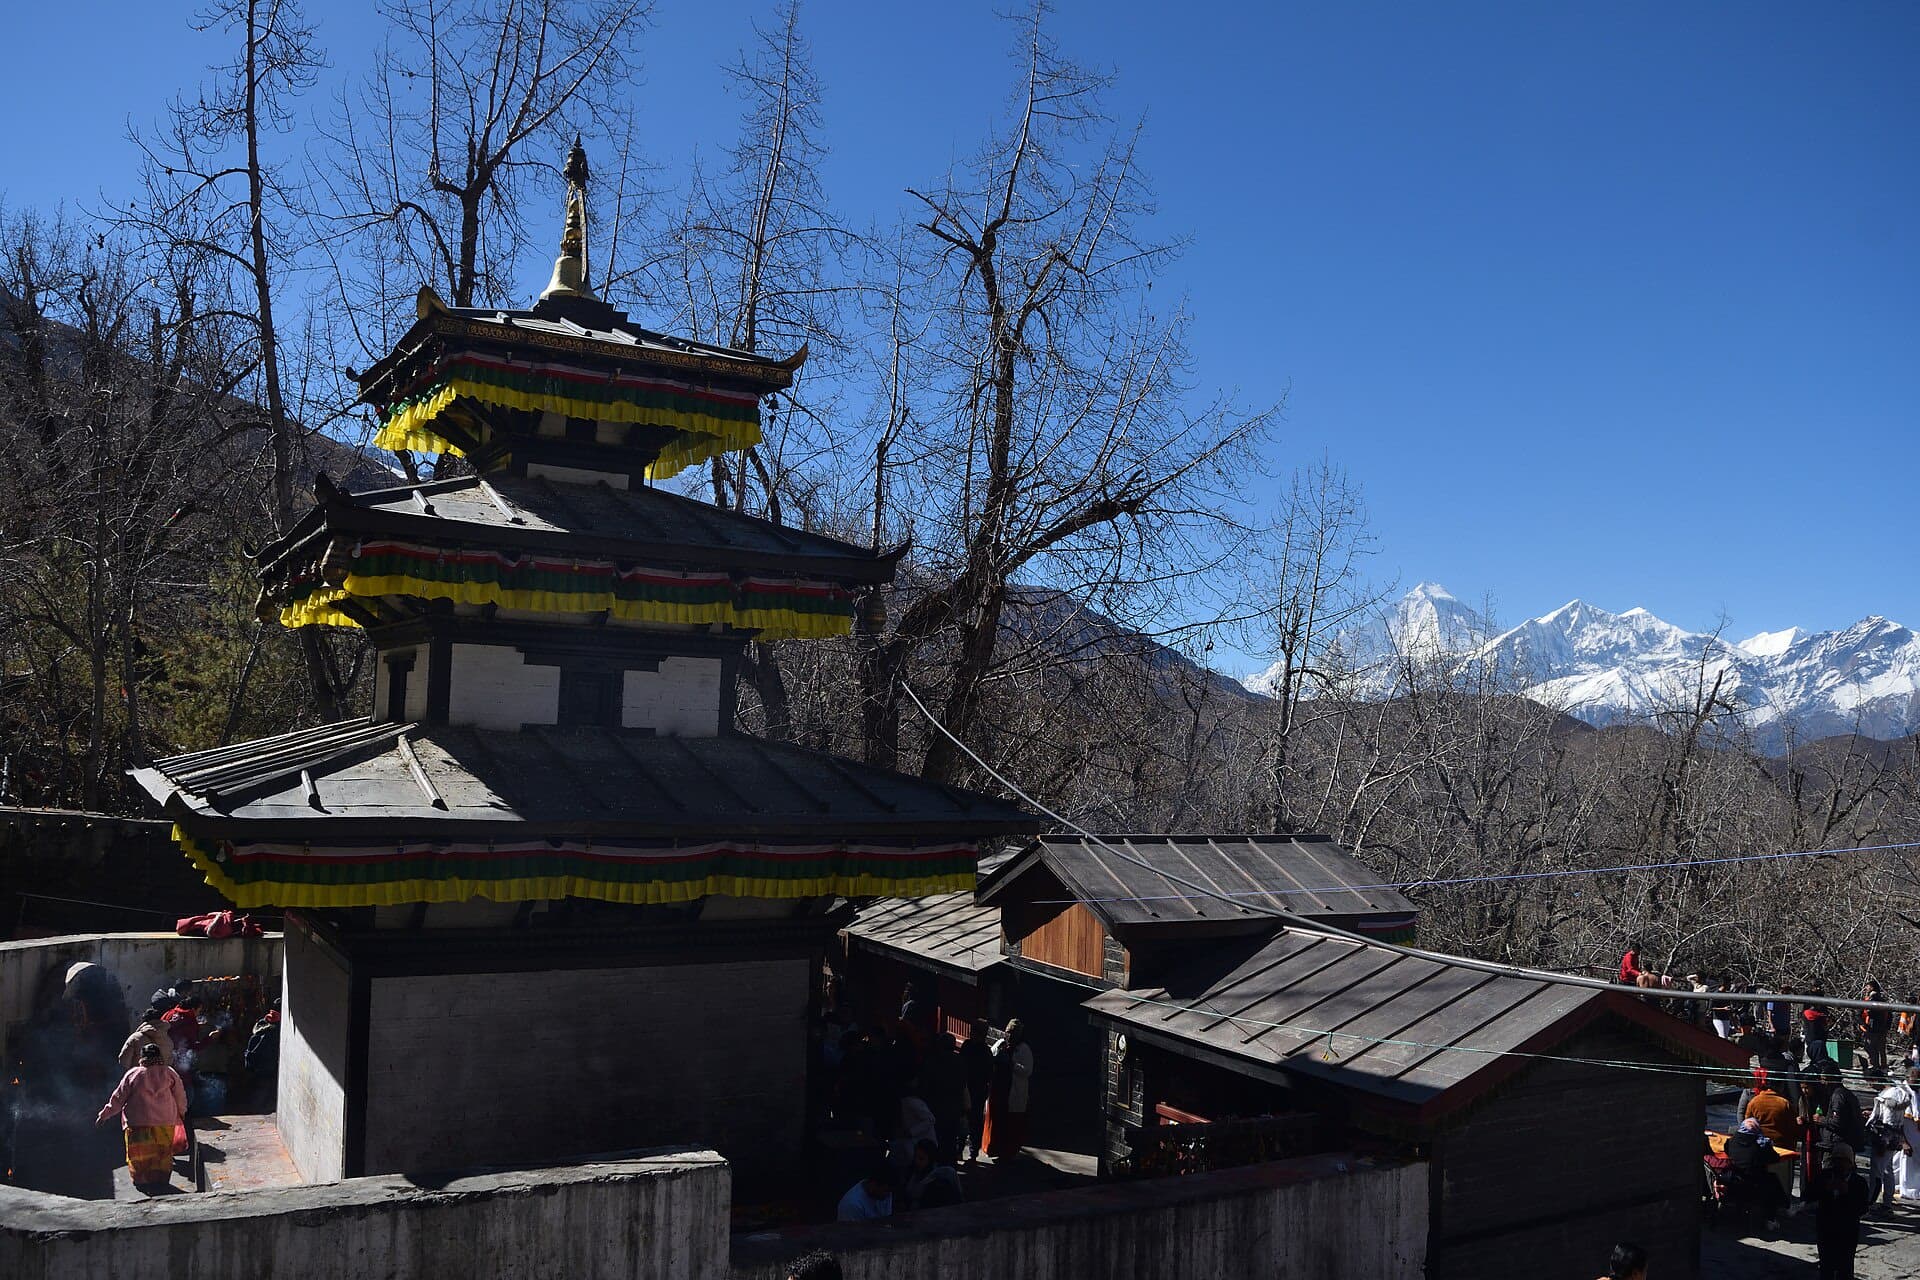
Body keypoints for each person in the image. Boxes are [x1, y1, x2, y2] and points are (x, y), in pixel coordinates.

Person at [94, 1042, 187, 1187]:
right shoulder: (169, 1072)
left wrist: (104, 1115)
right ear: (159, 1056)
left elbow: (118, 1098)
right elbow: (180, 1095)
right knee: (161, 1153)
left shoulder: (133, 1074)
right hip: (165, 1122)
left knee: (140, 1155)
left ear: (142, 1057)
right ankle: (161, 1181)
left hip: (137, 1123)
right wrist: (182, 1112)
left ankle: (142, 1181)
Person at [1814, 1143, 1870, 1279]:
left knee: (1845, 1266)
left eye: (1843, 1161)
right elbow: (1808, 1195)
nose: (1839, 1165)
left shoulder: (1858, 1182)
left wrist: (1847, 1194)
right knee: (1826, 1265)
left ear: (1850, 1163)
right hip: (1826, 1227)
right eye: (1836, 1160)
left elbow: (1862, 1208)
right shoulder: (1824, 1176)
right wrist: (1825, 1189)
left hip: (1847, 1230)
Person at [1724, 1117, 1790, 1232]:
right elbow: (1774, 1157)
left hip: (1734, 1180)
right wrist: (1768, 1145)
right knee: (1772, 1180)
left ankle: (1780, 1208)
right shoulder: (1760, 1145)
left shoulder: (1731, 1141)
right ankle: (1772, 1216)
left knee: (1770, 1179)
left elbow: (1727, 1151)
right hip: (1753, 1184)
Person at [982, 1018, 1034, 1161]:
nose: (1009, 1035)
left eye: (1012, 1033)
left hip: (1013, 1090)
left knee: (1010, 1124)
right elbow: (990, 1056)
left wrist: (1013, 1064)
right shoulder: (1000, 1044)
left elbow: (1027, 1070)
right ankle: (992, 1148)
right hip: (999, 1089)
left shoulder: (1024, 1049)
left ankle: (1007, 1153)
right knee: (996, 1120)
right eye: (1008, 1032)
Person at [1867, 1076, 1912, 1211]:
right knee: (1888, 1170)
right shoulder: (1900, 1093)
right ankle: (1887, 1202)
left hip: (1884, 1139)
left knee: (1877, 1172)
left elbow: (1886, 1122)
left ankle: (1870, 1203)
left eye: (1870, 1083)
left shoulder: (1886, 1098)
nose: (1870, 1086)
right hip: (1894, 1138)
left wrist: (1882, 1143)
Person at [958, 1020, 993, 1162]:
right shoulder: (985, 1051)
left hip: (973, 1089)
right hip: (973, 1089)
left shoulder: (970, 1047)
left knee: (968, 1121)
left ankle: (966, 1150)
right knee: (972, 1122)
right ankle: (968, 1151)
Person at [905, 1138, 963, 1210]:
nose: (917, 1161)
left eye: (921, 1159)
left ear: (931, 1160)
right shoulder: (912, 1172)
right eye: (915, 1157)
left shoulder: (938, 1182)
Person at [117, 1006, 175, 1071]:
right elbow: (170, 1063)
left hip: (140, 1077)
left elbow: (124, 1061)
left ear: (144, 1021)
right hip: (161, 1078)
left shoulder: (135, 1037)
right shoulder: (168, 1040)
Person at [1861, 982, 1891, 1078]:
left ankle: (1876, 1067)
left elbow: (1886, 1014)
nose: (1866, 988)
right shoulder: (1881, 1000)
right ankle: (1881, 1067)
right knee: (1879, 1049)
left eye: (1868, 987)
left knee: (1873, 1048)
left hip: (1873, 1028)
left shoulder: (1872, 1000)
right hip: (1877, 1028)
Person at [1804, 993, 1833, 1068]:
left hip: (1821, 1037)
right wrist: (1822, 1016)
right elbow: (1810, 1016)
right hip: (1813, 1039)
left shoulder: (1821, 1013)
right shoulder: (1808, 1012)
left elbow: (1827, 1021)